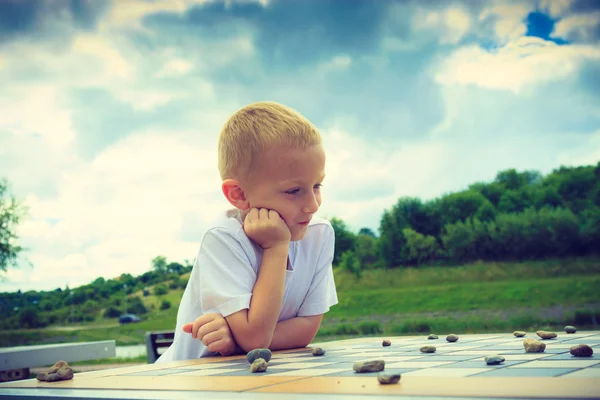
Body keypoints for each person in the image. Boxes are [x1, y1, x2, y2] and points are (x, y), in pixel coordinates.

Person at [156, 101, 338, 362]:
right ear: (239, 195)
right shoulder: (223, 238)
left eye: (317, 185)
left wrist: (238, 340)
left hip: (258, 379)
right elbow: (255, 339)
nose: (312, 205)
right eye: (293, 191)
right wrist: (276, 248)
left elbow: (306, 329)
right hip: (193, 384)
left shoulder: (319, 234)